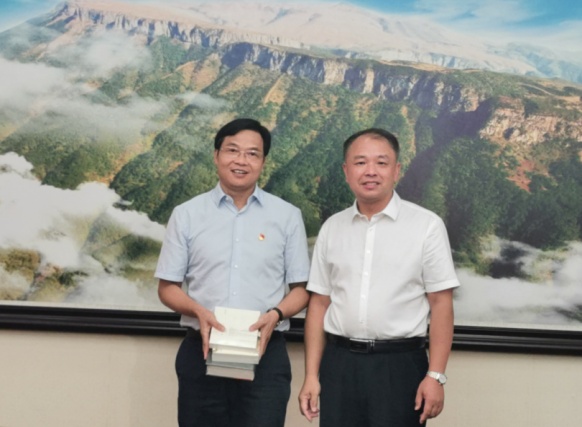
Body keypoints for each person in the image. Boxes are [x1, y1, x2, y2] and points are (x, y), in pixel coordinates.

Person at [298, 128, 460, 426]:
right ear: (346, 171)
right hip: (339, 364)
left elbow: (441, 303)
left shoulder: (426, 226)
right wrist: (311, 375)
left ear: (396, 170)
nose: (370, 171)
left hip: (399, 366)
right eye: (360, 162)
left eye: (381, 163)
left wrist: (436, 376)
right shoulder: (332, 228)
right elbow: (319, 304)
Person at [155, 118, 310, 427]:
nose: (241, 160)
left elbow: (302, 289)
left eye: (252, 153)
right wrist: (198, 311)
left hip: (265, 352)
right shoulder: (186, 215)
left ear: (263, 161)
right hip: (201, 349)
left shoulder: (287, 216)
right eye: (232, 150)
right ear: (216, 156)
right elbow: (167, 287)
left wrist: (276, 314)